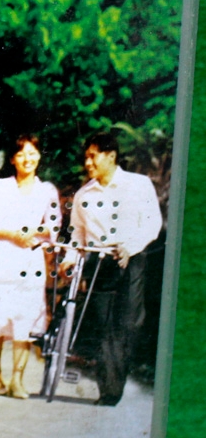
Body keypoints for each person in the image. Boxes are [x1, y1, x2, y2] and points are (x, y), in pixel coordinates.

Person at [62, 132, 162, 406]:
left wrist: (131, 246)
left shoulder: (138, 185)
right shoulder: (83, 195)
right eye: (86, 157)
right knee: (103, 325)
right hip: (99, 263)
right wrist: (70, 258)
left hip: (132, 259)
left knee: (128, 323)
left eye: (93, 156)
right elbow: (77, 234)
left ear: (111, 156)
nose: (88, 162)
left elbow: (152, 223)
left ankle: (117, 378)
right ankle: (109, 391)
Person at [0, 135, 59, 399]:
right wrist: (14, 235)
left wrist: (34, 231)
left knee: (26, 319)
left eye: (32, 153)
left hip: (30, 260)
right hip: (0, 260)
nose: (27, 159)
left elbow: (54, 226)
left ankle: (17, 380)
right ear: (13, 159)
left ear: (39, 156)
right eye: (22, 154)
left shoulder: (47, 191)